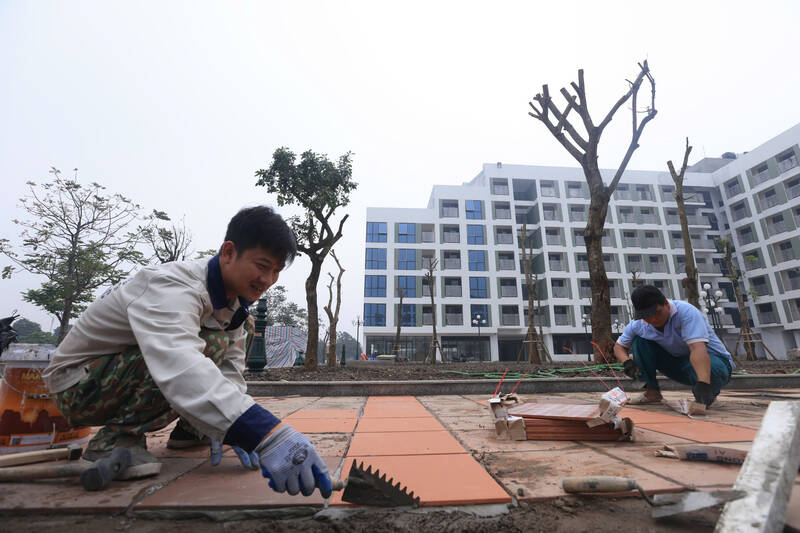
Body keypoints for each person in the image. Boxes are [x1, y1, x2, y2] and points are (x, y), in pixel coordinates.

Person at [42, 206, 332, 498]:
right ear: (229, 252)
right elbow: (178, 362)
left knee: (231, 334)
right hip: (78, 387)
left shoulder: (233, 306)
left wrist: (230, 429)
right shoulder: (172, 285)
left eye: (276, 271)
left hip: (114, 377)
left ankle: (192, 431)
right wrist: (266, 433)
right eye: (262, 265)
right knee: (205, 345)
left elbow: (231, 371)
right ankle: (116, 440)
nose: (267, 280)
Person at [613, 284, 733, 408]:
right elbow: (619, 347)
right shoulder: (638, 324)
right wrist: (627, 362)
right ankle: (652, 392)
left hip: (713, 364)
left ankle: (706, 393)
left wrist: (703, 383)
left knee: (712, 370)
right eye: (646, 316)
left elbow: (697, 348)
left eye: (656, 313)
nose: (653, 319)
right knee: (640, 341)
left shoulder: (686, 312)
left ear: (666, 303)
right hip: (678, 365)